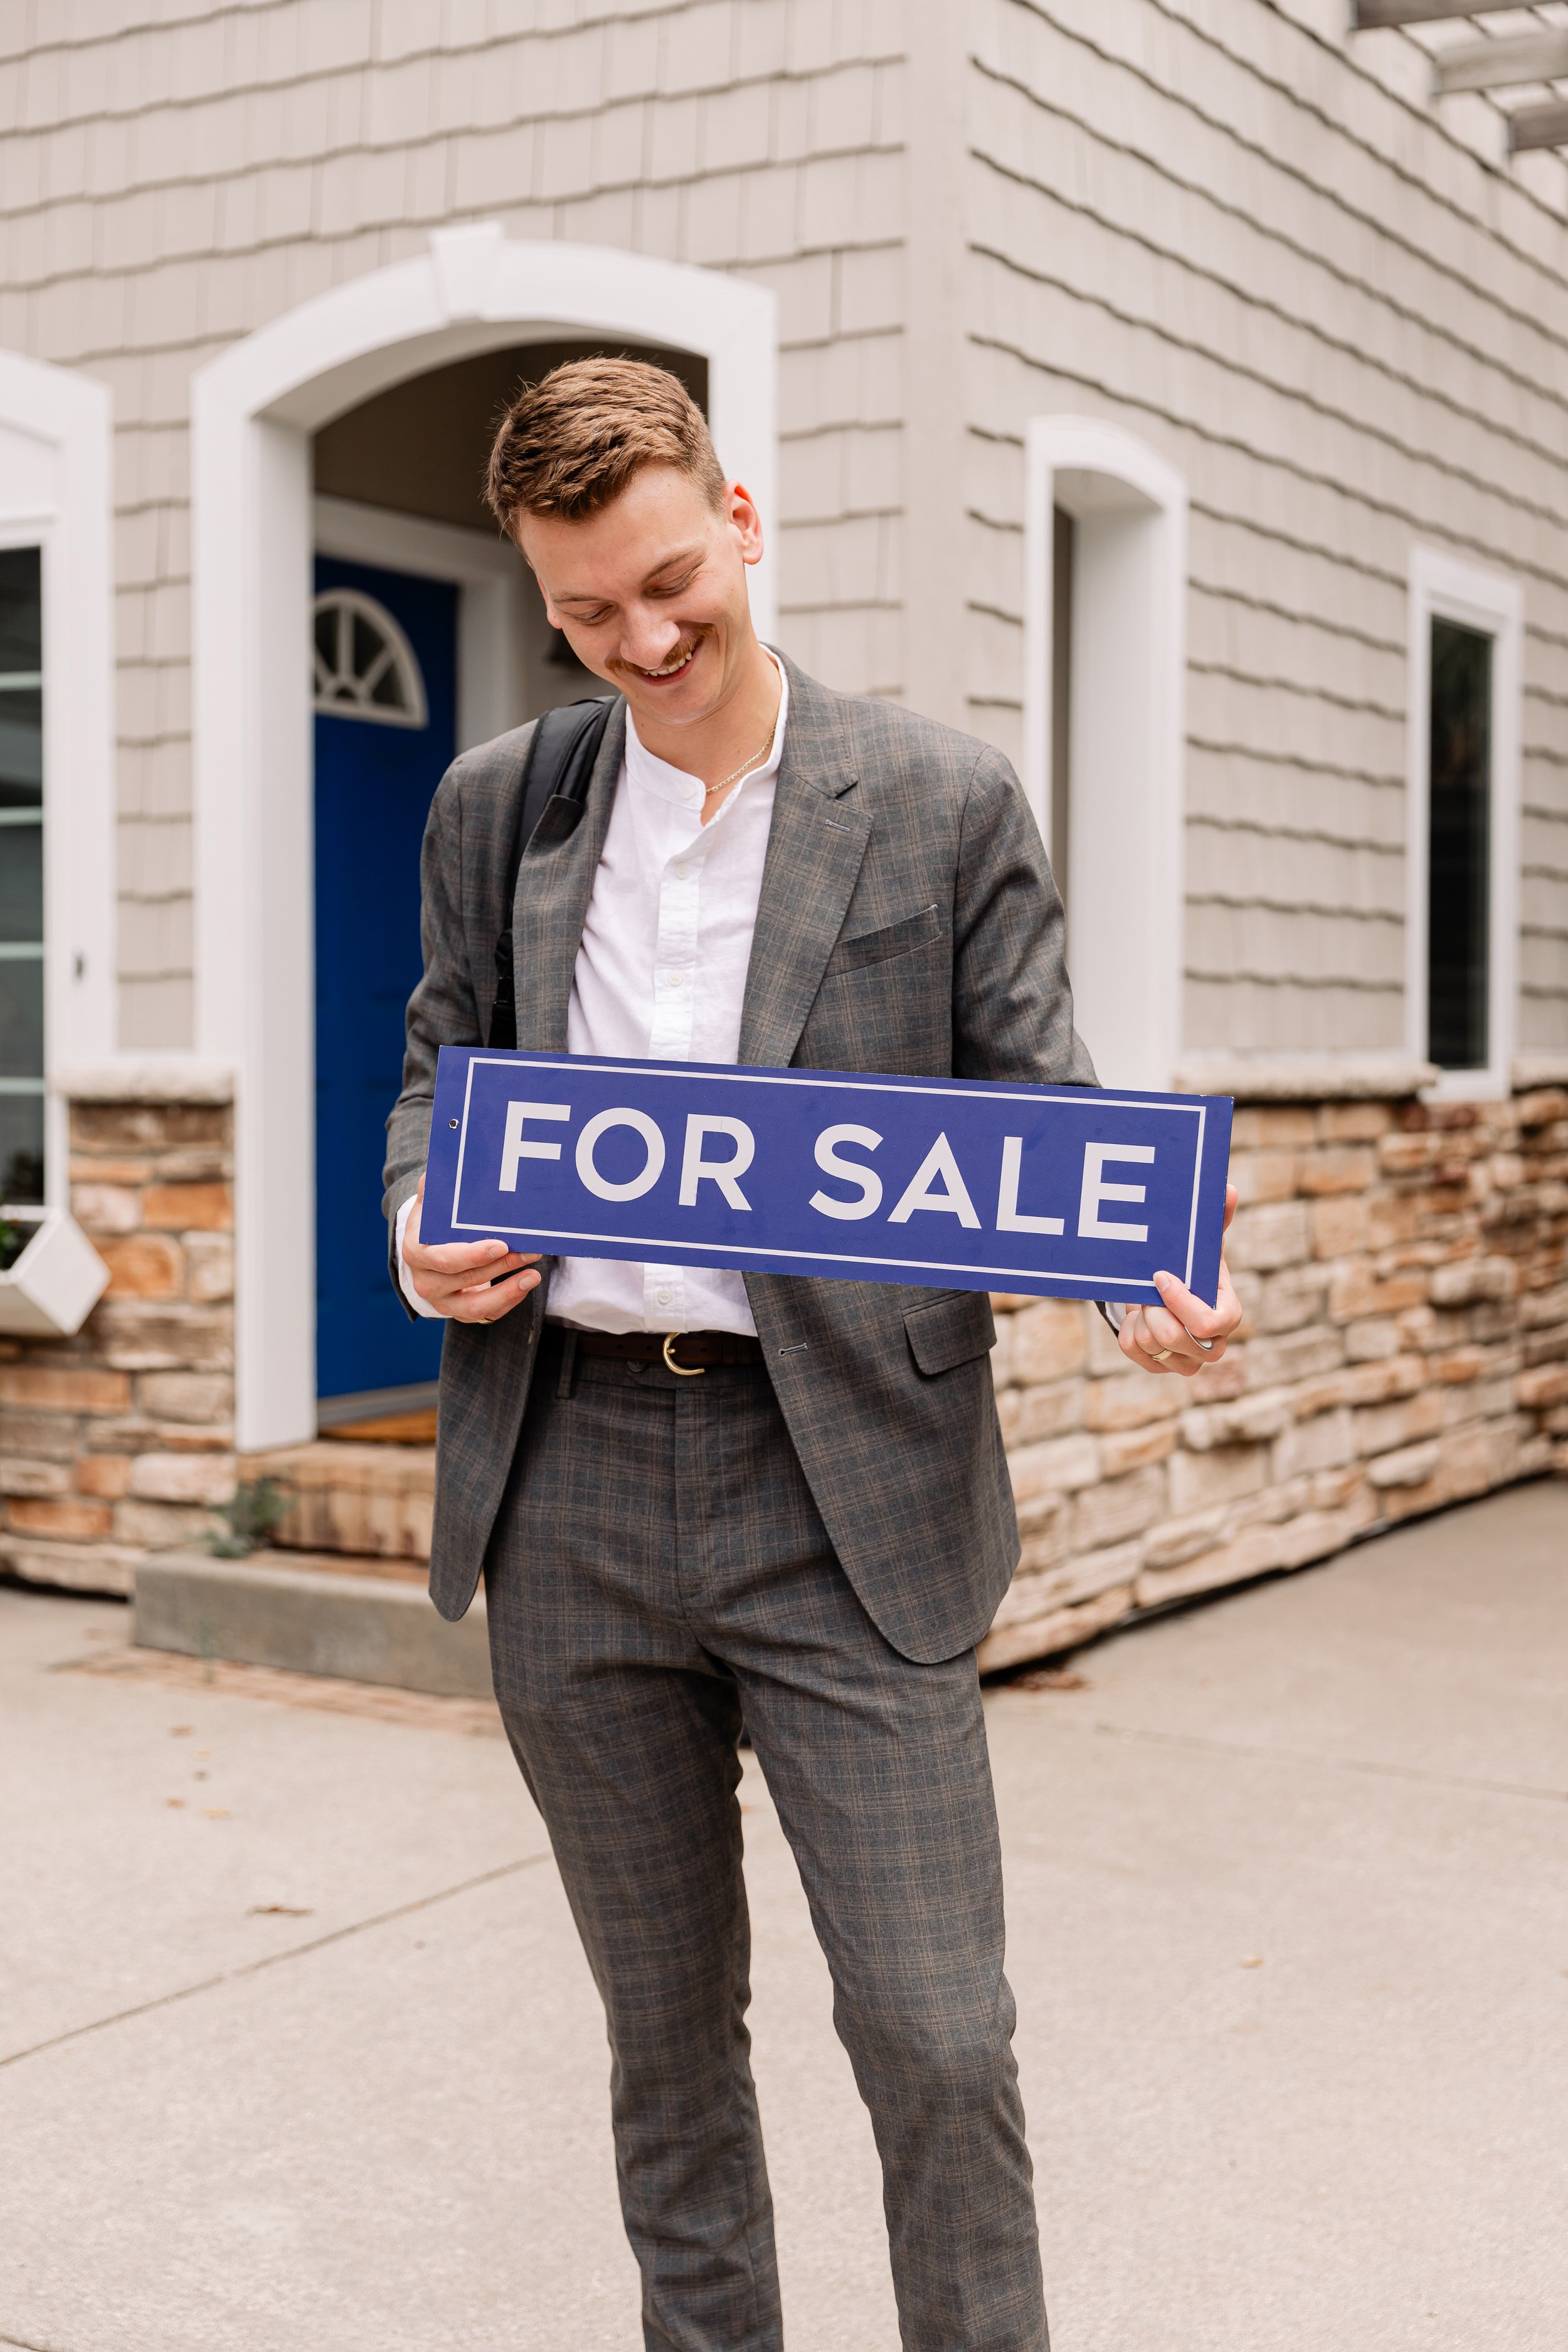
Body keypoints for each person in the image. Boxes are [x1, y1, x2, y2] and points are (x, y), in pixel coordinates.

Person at [386, 358, 1241, 2352]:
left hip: (843, 1487)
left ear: (741, 517)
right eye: (588, 613)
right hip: (569, 1485)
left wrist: (1135, 1271)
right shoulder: (499, 800)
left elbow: (1034, 1098)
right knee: (665, 2049)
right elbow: (442, 1057)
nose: (645, 639)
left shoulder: (936, 797)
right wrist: (425, 1219)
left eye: (672, 581)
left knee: (940, 2039)